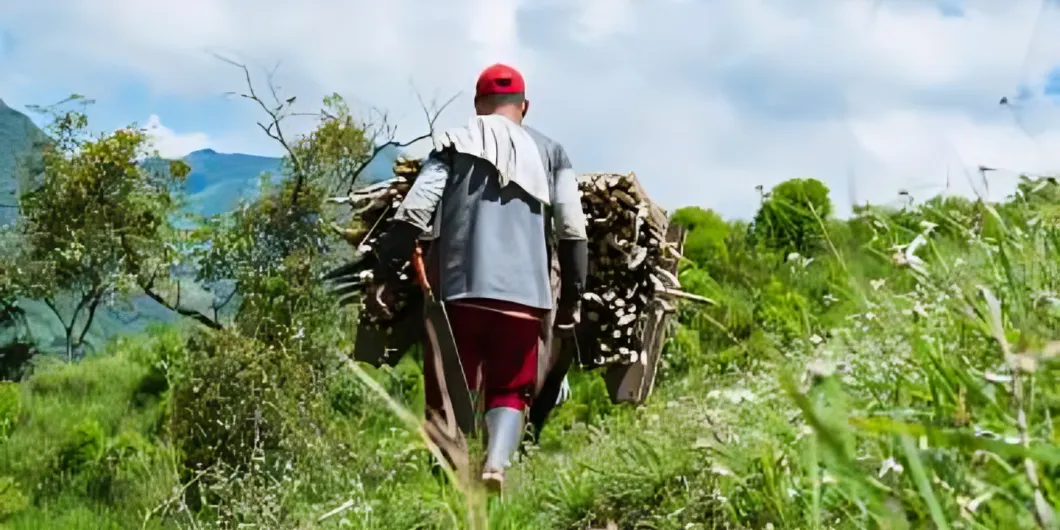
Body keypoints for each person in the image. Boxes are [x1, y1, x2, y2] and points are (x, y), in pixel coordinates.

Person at [370, 63, 588, 491]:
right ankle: (495, 467)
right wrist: (573, 296)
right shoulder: (552, 153)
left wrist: (384, 273)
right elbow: (572, 227)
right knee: (511, 386)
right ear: (524, 107)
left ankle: (446, 488)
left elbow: (415, 210)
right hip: (527, 298)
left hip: (458, 293)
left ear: (477, 105)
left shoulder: (454, 143)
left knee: (448, 393)